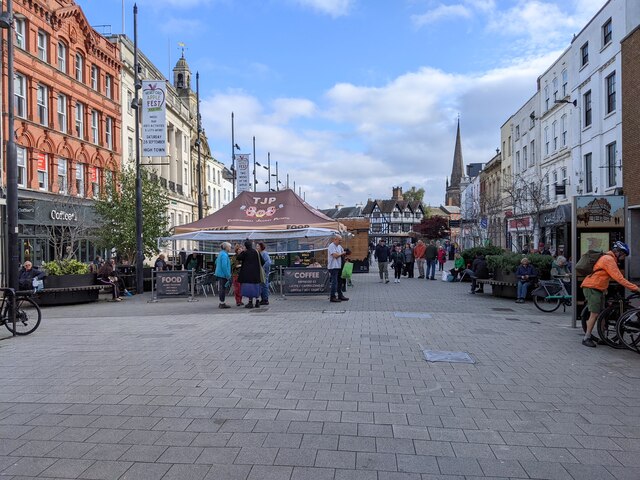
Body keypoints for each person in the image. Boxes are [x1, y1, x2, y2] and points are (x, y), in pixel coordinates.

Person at [581, 241, 639, 348]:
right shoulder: (608, 259)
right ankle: (586, 338)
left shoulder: (608, 258)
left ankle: (603, 337)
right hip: (592, 287)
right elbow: (619, 278)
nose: (623, 258)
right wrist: (636, 289)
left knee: (602, 313)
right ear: (619, 252)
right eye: (624, 255)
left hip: (598, 288)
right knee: (594, 313)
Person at [237, 240, 263, 308]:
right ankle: (257, 301)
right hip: (256, 273)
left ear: (245, 246)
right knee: (256, 287)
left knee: (249, 288)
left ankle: (250, 302)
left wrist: (242, 251)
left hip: (247, 274)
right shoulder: (256, 252)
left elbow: (238, 257)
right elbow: (262, 261)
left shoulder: (245, 253)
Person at [327, 234, 348, 302]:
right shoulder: (331, 246)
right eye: (339, 240)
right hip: (333, 267)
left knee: (340, 281)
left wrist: (346, 254)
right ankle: (332, 297)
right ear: (335, 239)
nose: (340, 241)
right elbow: (335, 255)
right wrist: (342, 253)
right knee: (334, 282)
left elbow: (343, 253)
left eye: (341, 240)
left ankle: (340, 295)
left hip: (339, 266)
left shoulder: (339, 246)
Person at [214, 242, 232, 309]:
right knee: (222, 289)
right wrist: (228, 275)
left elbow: (216, 262)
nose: (230, 248)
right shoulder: (224, 255)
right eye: (229, 247)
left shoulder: (221, 253)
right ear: (226, 247)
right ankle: (222, 303)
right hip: (223, 274)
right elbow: (224, 266)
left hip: (219, 273)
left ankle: (221, 302)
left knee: (222, 288)